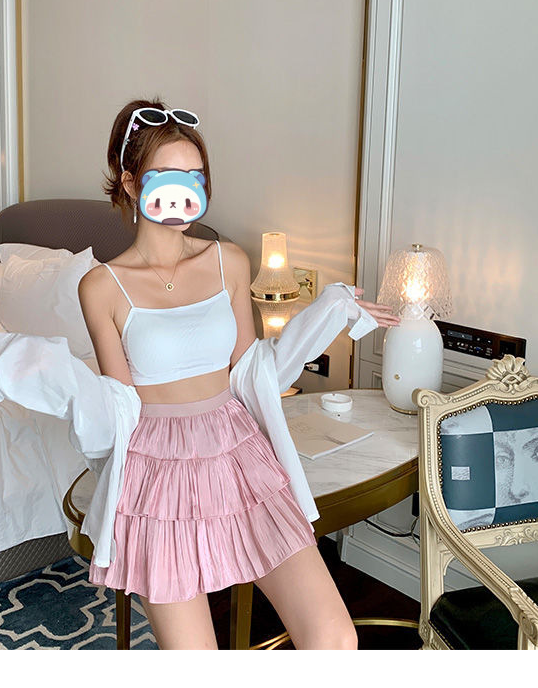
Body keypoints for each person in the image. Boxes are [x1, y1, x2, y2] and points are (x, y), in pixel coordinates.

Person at [75, 97, 401, 650]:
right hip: (159, 472)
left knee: (334, 639)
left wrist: (330, 311)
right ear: (130, 183)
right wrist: (17, 369)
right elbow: (116, 406)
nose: (183, 190)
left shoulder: (229, 261)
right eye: (167, 175)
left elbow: (254, 371)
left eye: (195, 176)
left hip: (238, 451)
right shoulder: (101, 286)